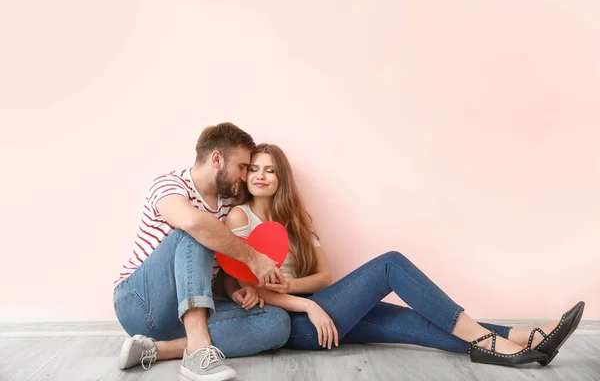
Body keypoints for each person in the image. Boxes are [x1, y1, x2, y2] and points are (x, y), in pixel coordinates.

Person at [224, 143, 585, 367]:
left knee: (419, 326)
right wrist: (307, 305)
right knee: (390, 263)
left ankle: (526, 338)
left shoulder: (299, 220)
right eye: (254, 169)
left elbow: (325, 278)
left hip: (323, 307)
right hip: (296, 324)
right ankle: (493, 340)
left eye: (270, 170)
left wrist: (296, 286)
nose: (261, 176)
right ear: (245, 177)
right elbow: (247, 285)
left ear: (281, 177)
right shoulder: (241, 217)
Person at [113, 124, 290, 381]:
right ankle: (197, 350)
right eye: (241, 167)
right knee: (196, 229)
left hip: (185, 315)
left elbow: (220, 267)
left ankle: (156, 350)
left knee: (277, 322)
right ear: (217, 159)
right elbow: (193, 223)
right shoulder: (169, 184)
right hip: (139, 304)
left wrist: (233, 290)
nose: (243, 176)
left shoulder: (230, 203)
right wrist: (253, 258)